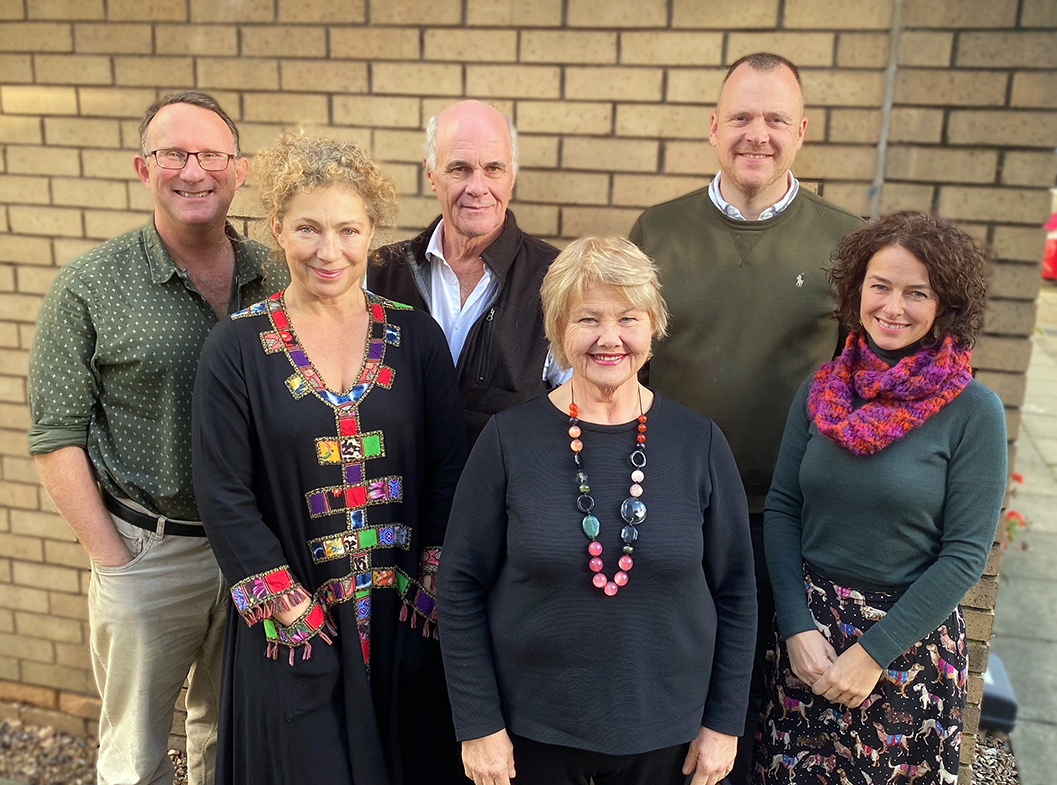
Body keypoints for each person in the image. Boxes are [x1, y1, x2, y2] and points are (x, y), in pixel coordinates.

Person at [192, 133, 467, 785]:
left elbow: (449, 467)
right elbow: (222, 490)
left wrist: (431, 580)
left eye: (348, 228)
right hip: (297, 628)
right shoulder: (236, 349)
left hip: (404, 619)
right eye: (308, 228)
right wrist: (290, 608)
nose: (328, 249)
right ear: (278, 230)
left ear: (371, 231)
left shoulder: (415, 336)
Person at [27, 91, 283, 785]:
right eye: (175, 154)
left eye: (211, 155)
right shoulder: (89, 285)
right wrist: (114, 559)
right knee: (135, 755)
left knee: (228, 737)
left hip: (253, 549)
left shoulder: (278, 274)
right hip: (148, 551)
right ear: (144, 168)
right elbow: (56, 436)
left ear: (241, 169)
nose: (193, 171)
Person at [437, 236, 757, 785]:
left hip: (671, 741)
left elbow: (737, 592)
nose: (610, 339)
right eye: (588, 319)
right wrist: (478, 725)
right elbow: (459, 585)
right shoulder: (508, 440)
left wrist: (724, 725)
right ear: (559, 330)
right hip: (529, 741)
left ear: (652, 326)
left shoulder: (698, 442)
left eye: (628, 318)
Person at [628, 52, 863, 783]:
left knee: (759, 697)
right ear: (713, 128)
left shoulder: (847, 241)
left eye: (773, 120)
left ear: (801, 132)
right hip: (670, 506)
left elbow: (863, 379)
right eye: (740, 118)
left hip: (785, 516)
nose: (755, 134)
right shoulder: (657, 231)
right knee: (668, 678)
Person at [757, 212, 1007, 784]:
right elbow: (783, 509)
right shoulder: (822, 389)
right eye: (881, 286)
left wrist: (873, 654)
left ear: (945, 305)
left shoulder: (973, 411)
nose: (893, 307)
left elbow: (964, 554)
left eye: (916, 293)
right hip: (809, 645)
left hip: (904, 650)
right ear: (857, 290)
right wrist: (796, 627)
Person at [370, 100, 564, 446]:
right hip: (398, 494)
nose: (478, 187)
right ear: (430, 173)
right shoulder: (380, 272)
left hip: (505, 497)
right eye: (459, 169)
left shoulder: (556, 279)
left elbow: (580, 414)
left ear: (512, 175)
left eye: (493, 169)